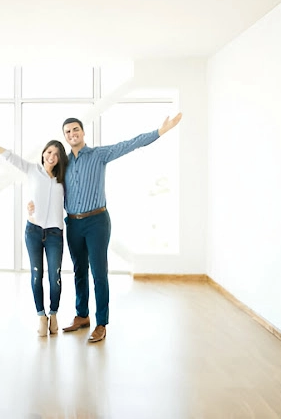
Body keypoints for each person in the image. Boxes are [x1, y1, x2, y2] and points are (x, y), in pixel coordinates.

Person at [29, 112, 182, 343]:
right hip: (72, 223)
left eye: (75, 129)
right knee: (80, 271)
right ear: (65, 137)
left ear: (82, 132)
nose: (72, 134)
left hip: (97, 221)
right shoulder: (64, 162)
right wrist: (32, 203)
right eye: (68, 132)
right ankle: (82, 316)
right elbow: (45, 183)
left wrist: (160, 131)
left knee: (99, 273)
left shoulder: (100, 154)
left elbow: (129, 144)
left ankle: (102, 323)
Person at [0, 127, 69, 337]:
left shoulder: (63, 179)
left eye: (56, 154)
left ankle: (54, 313)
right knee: (36, 275)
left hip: (55, 234)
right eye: (49, 152)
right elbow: (9, 156)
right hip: (33, 231)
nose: (52, 156)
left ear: (60, 159)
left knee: (55, 277)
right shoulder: (32, 170)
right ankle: (41, 316)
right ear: (43, 153)